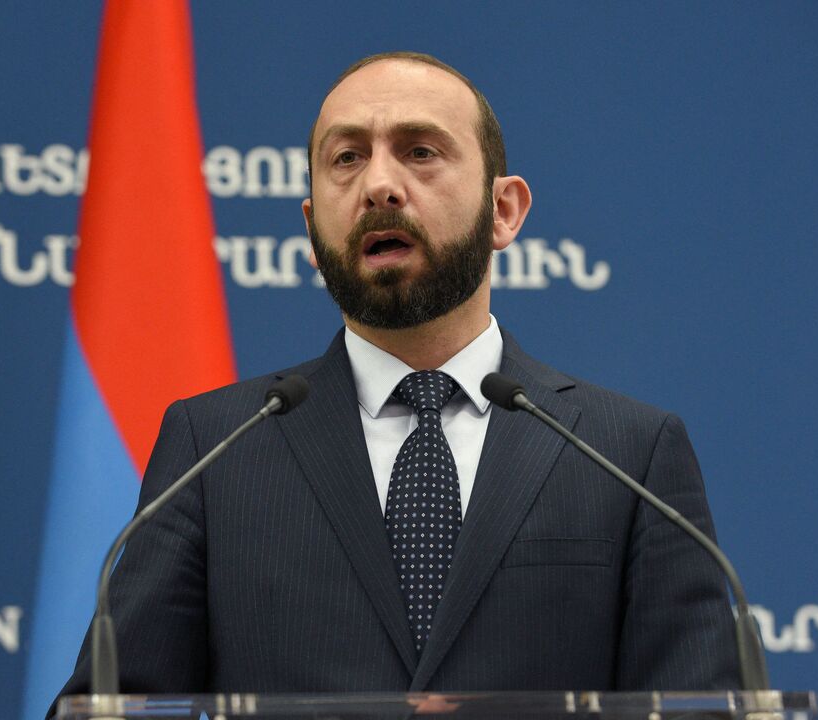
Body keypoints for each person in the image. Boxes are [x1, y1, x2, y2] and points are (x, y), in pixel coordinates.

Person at [55, 51, 739, 701]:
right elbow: (113, 705)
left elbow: (696, 705)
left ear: (504, 211)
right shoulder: (214, 447)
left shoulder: (627, 453)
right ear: (312, 228)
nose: (380, 185)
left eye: (420, 151)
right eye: (346, 158)